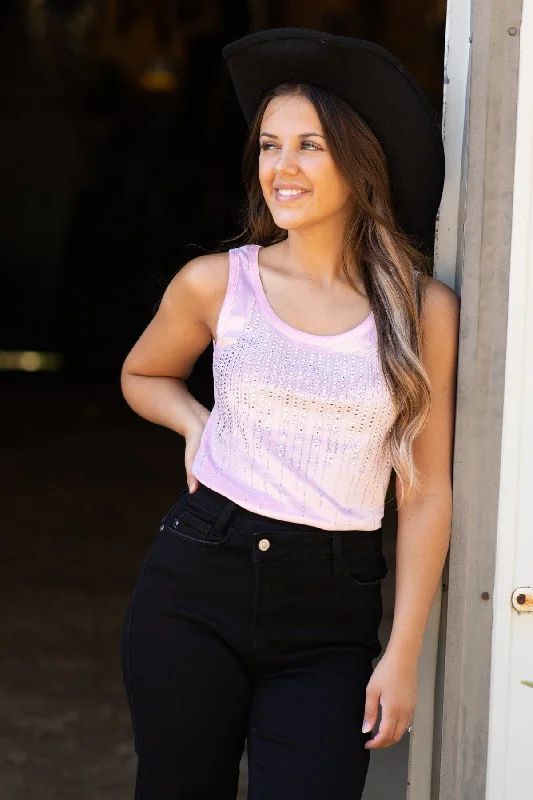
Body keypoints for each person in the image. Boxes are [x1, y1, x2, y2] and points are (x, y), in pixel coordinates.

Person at [119, 27, 459, 800]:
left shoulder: (421, 309)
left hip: (330, 611)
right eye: (269, 146)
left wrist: (400, 651)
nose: (281, 166)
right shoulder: (216, 282)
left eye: (308, 145)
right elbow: (143, 374)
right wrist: (196, 423)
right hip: (196, 579)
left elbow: (425, 488)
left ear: (359, 158)